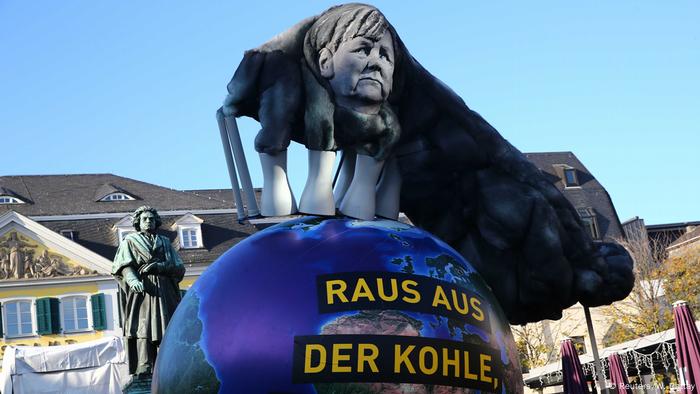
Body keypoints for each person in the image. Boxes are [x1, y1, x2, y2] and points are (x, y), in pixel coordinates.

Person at [221, 3, 634, 324]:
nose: (376, 61)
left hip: (399, 218)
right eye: (363, 50)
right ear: (325, 62)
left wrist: (578, 252)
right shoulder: (296, 92)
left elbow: (506, 160)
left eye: (385, 55)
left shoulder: (395, 125)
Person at [112, 206, 185, 376]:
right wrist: (133, 280)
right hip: (143, 292)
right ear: (138, 222)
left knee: (166, 325)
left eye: (151, 219)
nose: (148, 221)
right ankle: (143, 364)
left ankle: (166, 361)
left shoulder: (165, 242)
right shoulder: (130, 241)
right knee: (142, 326)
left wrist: (160, 266)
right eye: (144, 219)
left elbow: (179, 267)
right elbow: (124, 266)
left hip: (164, 290)